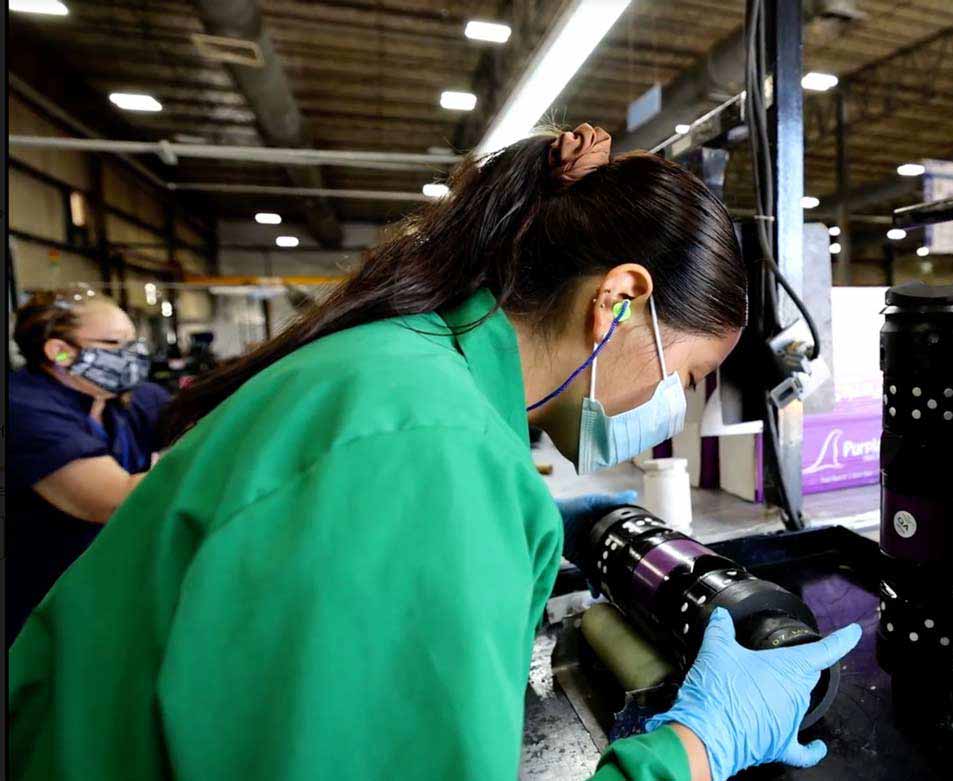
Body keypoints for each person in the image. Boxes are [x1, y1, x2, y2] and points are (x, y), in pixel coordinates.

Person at [8, 125, 859, 781]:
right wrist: (694, 750)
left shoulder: (404, 368)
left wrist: (516, 533)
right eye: (689, 376)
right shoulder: (432, 451)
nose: (671, 408)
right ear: (620, 301)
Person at [6, 292, 169, 645]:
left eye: (133, 342)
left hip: (101, 591)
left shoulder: (128, 399)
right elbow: (114, 499)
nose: (131, 356)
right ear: (59, 352)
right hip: (36, 603)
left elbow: (200, 421)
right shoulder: (23, 409)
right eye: (113, 343)